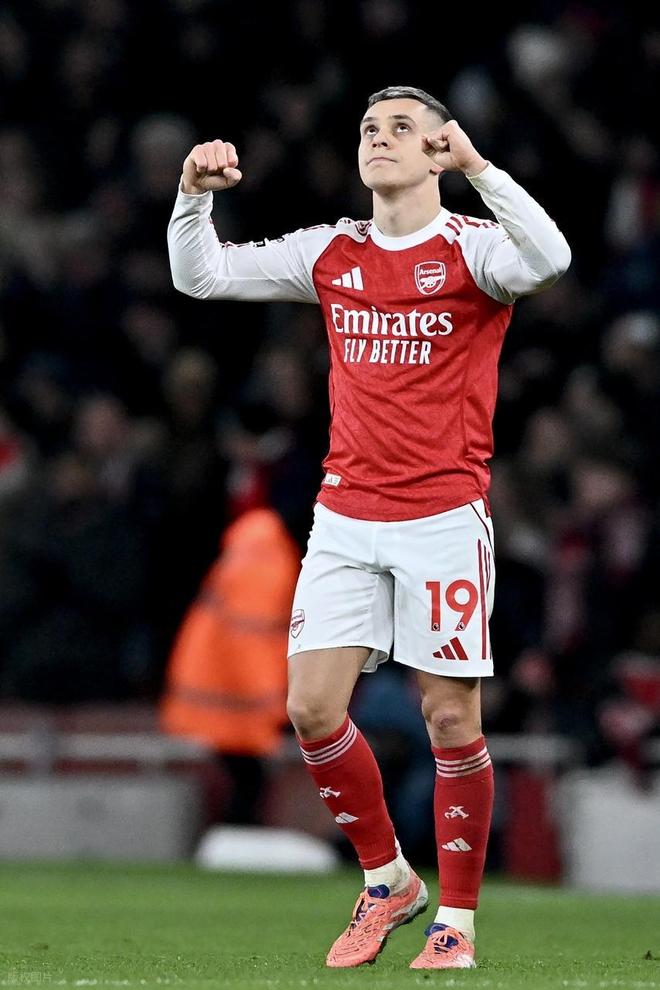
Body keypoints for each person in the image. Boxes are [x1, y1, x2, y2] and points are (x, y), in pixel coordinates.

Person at [167, 84, 571, 970]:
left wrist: (482, 170)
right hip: (346, 515)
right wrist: (193, 196)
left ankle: (457, 923)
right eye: (367, 128)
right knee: (310, 709)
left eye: (400, 128)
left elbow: (551, 258)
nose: (378, 139)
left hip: (443, 518)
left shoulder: (473, 249)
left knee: (449, 716)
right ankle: (388, 879)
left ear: (436, 150)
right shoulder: (332, 251)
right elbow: (200, 276)